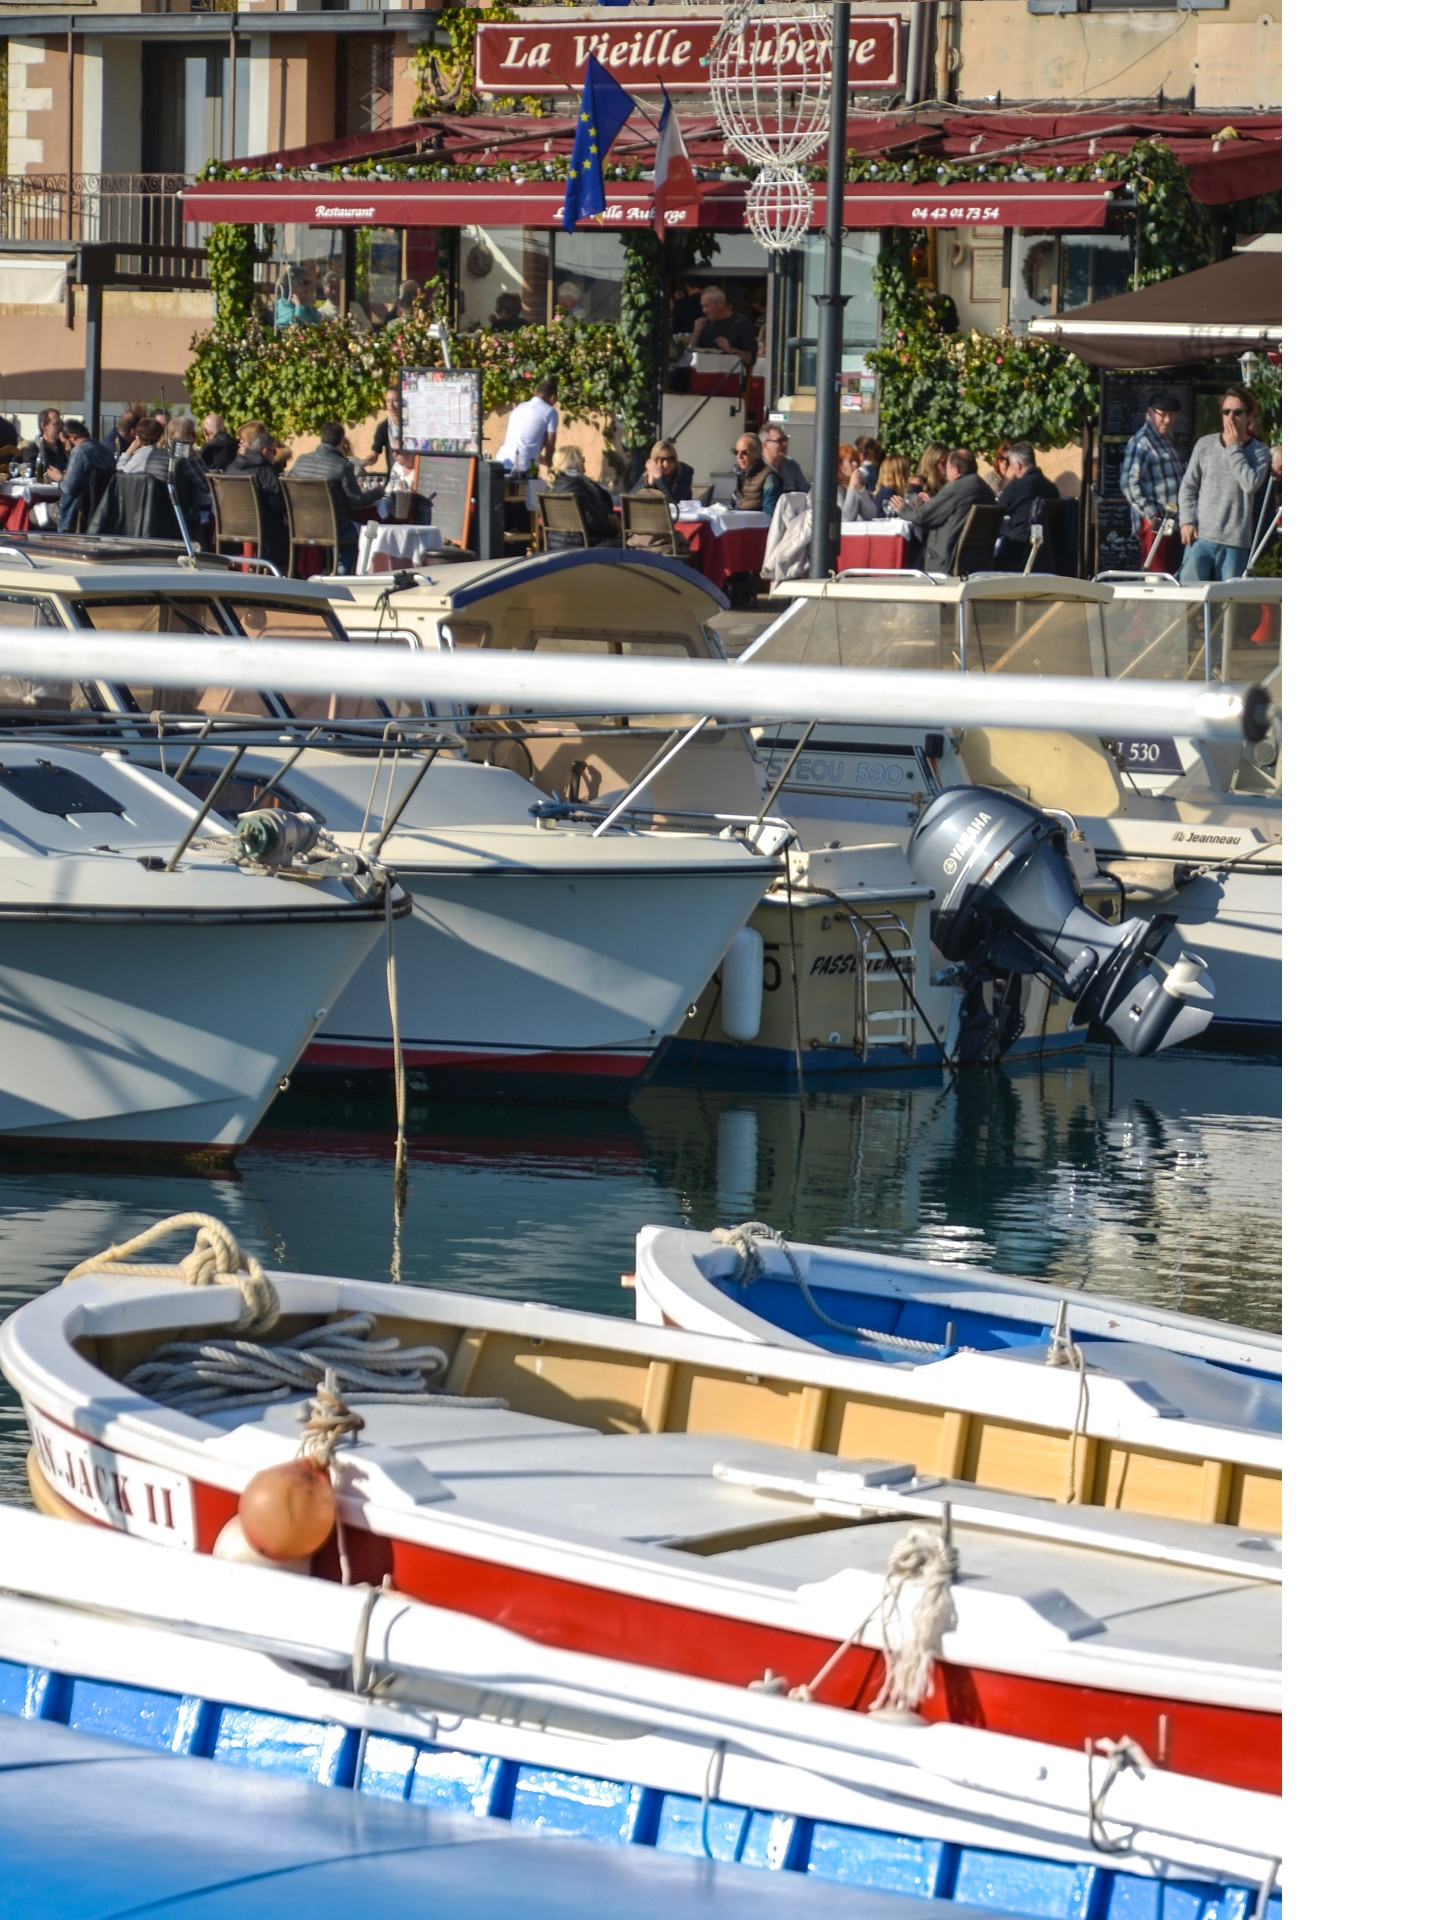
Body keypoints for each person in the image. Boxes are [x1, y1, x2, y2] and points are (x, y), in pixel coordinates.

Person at [1177, 385, 1271, 582]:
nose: (1230, 418)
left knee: (1228, 606)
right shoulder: (1204, 444)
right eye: (1226, 412)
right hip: (1200, 538)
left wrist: (1233, 448)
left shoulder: (1259, 452)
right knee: (1191, 601)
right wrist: (1186, 520)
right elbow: (1188, 486)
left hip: (1235, 543)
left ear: (1248, 417)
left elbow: (1251, 484)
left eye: (1237, 413)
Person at [287, 421, 371, 573]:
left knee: (342, 525)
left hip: (302, 527)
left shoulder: (301, 461)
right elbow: (356, 501)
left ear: (322, 439)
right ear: (341, 442)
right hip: (333, 529)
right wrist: (378, 492)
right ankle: (342, 572)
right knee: (367, 530)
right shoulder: (343, 465)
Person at [1120, 389, 1187, 573]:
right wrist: (1151, 514)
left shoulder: (1166, 441)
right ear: (1149, 413)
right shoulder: (1141, 442)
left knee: (1169, 573)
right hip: (1155, 521)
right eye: (1163, 415)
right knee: (1155, 576)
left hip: (1172, 521)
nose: (1168, 420)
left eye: (1172, 415)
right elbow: (1127, 483)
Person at [897, 447, 994, 573]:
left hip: (946, 558)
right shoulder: (985, 489)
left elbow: (922, 516)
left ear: (956, 470)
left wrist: (902, 508)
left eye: (947, 466)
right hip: (978, 558)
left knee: (911, 557)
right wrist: (933, 502)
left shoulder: (956, 488)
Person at [226, 423, 288, 573]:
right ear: (265, 451)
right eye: (274, 452)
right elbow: (278, 503)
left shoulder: (232, 467)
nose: (275, 456)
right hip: (262, 530)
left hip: (231, 525)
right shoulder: (265, 470)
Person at [995, 441, 1060, 571]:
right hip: (1046, 553)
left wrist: (1007, 480)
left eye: (1012, 466)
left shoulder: (1018, 486)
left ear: (1018, 465)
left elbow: (995, 512)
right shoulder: (1051, 487)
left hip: (1018, 550)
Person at [542, 447, 620, 550]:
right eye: (582, 460)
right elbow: (592, 520)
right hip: (581, 543)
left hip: (556, 542)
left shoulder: (552, 485)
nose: (584, 462)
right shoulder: (575, 486)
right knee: (626, 544)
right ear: (575, 464)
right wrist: (615, 529)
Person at [54, 419, 115, 532]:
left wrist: (59, 478)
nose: (66, 448)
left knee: (34, 514)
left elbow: (69, 487)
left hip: (75, 514)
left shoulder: (79, 452)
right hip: (102, 512)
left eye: (65, 443)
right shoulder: (106, 451)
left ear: (72, 437)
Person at [496, 378, 558, 476]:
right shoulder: (550, 412)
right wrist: (552, 471)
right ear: (553, 398)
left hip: (502, 462)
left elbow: (525, 445)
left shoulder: (519, 407)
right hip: (524, 467)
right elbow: (549, 449)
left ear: (534, 393)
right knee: (527, 491)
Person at [690, 286, 757, 369]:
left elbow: (751, 359)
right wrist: (696, 333)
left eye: (707, 306)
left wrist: (731, 350)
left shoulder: (741, 322)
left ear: (720, 303)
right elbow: (692, 354)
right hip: (704, 371)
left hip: (731, 373)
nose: (704, 310)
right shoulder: (705, 323)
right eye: (702, 306)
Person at [730, 433, 782, 516]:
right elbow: (734, 507)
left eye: (744, 452)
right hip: (739, 524)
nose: (739, 456)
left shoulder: (769, 477)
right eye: (736, 452)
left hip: (757, 527)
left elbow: (769, 515)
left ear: (757, 453)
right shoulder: (740, 474)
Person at [632, 439, 693, 507]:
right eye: (661, 459)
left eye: (669, 459)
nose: (666, 464)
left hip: (681, 515)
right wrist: (648, 483)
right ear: (654, 461)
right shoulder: (651, 471)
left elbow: (674, 502)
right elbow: (629, 498)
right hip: (653, 513)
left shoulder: (685, 472)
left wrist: (659, 478)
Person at [759, 425, 808, 494]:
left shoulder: (792, 466)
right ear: (765, 445)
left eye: (785, 439)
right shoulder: (756, 469)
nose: (785, 444)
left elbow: (805, 493)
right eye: (780, 441)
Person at [838, 443, 879, 522]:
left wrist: (861, 489)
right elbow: (845, 518)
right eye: (851, 461)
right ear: (839, 465)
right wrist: (852, 487)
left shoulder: (855, 487)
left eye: (856, 460)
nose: (856, 464)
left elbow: (871, 514)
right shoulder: (834, 490)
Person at [367, 386, 403, 475]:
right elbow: (374, 454)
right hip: (394, 475)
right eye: (388, 401)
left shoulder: (411, 425)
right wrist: (362, 462)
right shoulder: (383, 427)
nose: (391, 406)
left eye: (395, 401)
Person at [21, 408, 67, 477]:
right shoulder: (33, 450)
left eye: (61, 424)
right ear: (44, 426)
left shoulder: (65, 448)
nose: (61, 428)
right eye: (56, 424)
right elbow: (34, 472)